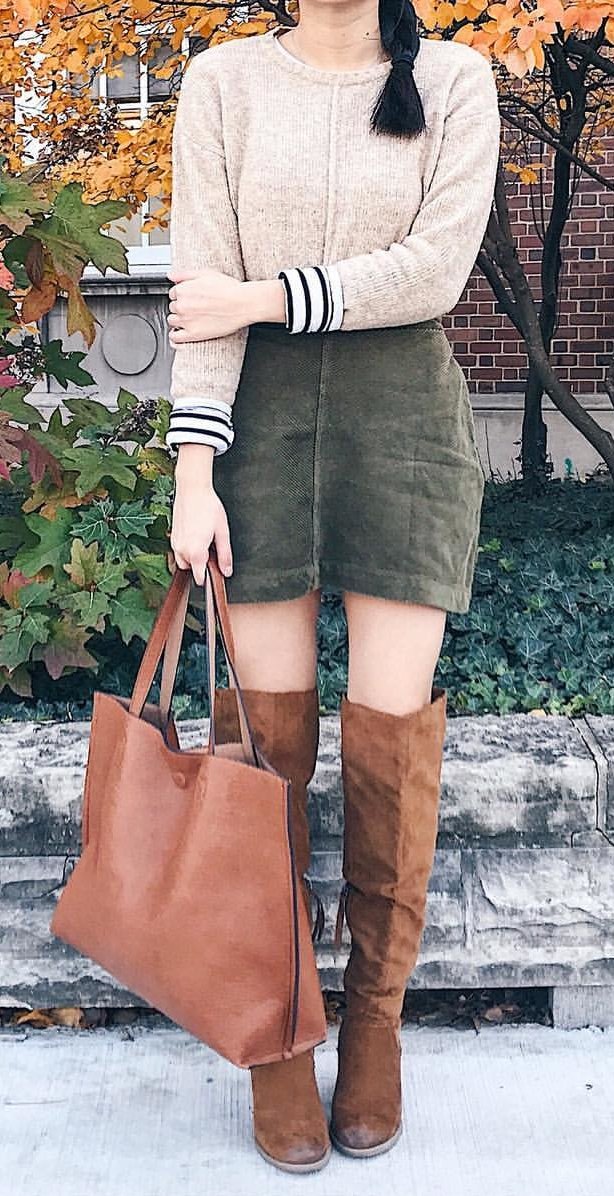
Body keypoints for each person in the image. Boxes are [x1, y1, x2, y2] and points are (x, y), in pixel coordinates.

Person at [165, 0, 501, 1174]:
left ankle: (371, 1025)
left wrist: (259, 298)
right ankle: (273, 1039)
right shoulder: (223, 83)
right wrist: (191, 472)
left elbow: (432, 271)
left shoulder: (455, 80)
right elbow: (197, 281)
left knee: (389, 742)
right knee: (261, 758)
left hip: (401, 421)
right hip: (252, 428)